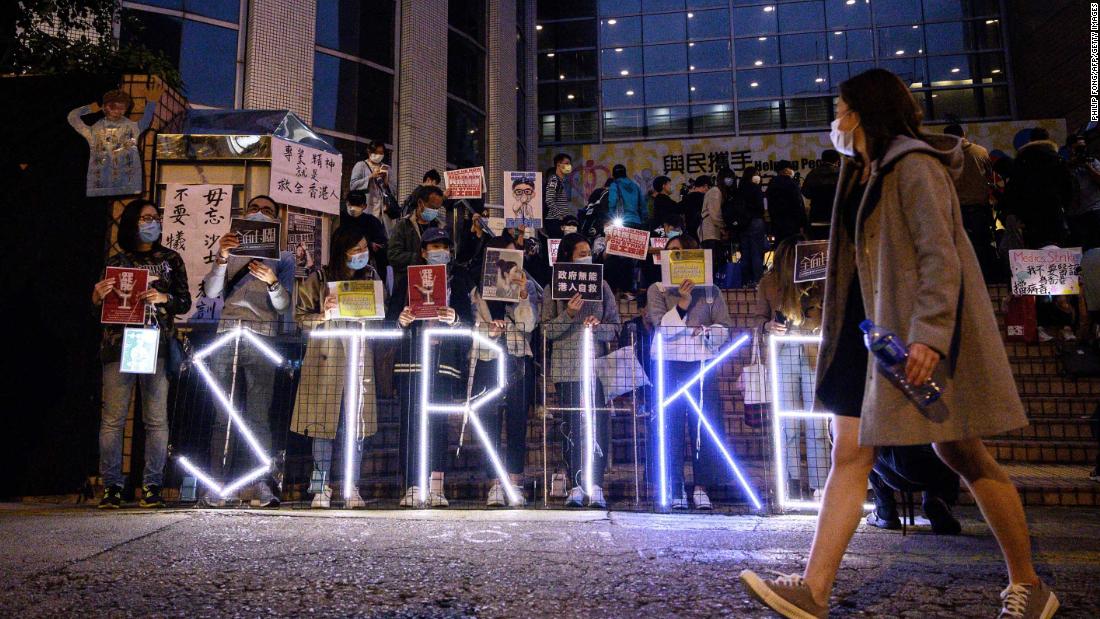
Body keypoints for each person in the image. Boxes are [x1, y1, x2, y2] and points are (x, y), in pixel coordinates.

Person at [739, 68, 1058, 619]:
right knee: (850, 454)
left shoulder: (913, 166)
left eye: (839, 110)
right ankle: (814, 590)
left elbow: (941, 256)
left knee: (962, 452)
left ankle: (1030, 584)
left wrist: (931, 335)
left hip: (911, 335)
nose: (834, 121)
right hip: (867, 334)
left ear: (863, 111)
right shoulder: (859, 172)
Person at [91, 199, 190, 508]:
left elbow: (185, 302)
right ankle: (111, 487)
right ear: (133, 222)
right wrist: (97, 297)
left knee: (155, 419)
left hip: (155, 342)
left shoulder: (171, 259)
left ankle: (152, 485)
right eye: (147, 217)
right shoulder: (116, 260)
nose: (152, 223)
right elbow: (101, 311)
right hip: (119, 342)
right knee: (113, 419)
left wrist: (164, 297)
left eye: (156, 218)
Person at [200, 195, 296, 508]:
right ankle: (218, 484)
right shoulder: (229, 247)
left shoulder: (283, 257)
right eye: (254, 209)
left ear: (276, 220)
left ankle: (261, 484)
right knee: (222, 414)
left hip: (263, 337)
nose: (259, 214)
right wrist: (222, 257)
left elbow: (284, 306)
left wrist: (272, 282)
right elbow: (212, 292)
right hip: (227, 333)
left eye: (268, 211)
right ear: (243, 215)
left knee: (259, 415)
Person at [291, 226, 385, 509]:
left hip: (358, 356)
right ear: (341, 250)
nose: (361, 254)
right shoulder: (319, 277)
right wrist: (322, 314)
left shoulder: (371, 275)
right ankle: (320, 487)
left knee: (356, 423)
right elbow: (300, 317)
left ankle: (350, 485)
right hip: (326, 355)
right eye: (355, 249)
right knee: (322, 424)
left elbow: (381, 316)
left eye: (364, 248)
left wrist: (371, 314)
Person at [644, 233, 733, 510]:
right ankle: (674, 485)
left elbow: (724, 328)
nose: (674, 257)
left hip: (701, 365)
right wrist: (682, 304)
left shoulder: (711, 291)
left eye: (680, 252)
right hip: (669, 365)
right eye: (670, 253)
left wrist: (706, 331)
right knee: (670, 425)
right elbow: (663, 328)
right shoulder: (657, 290)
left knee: (703, 425)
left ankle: (701, 486)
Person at [388, 228, 475, 508]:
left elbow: (470, 324)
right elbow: (389, 321)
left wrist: (455, 318)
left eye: (444, 247)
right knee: (411, 423)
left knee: (438, 423)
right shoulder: (405, 281)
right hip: (411, 360)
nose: (440, 251)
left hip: (444, 361)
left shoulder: (457, 282)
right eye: (433, 246)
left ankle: (437, 485)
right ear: (423, 251)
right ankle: (413, 484)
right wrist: (401, 320)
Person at [542, 233, 621, 508]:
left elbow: (615, 326)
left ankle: (596, 484)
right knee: (572, 427)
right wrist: (569, 315)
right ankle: (576, 483)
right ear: (567, 258)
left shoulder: (603, 285)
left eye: (588, 251)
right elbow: (547, 331)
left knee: (598, 426)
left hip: (595, 368)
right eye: (580, 252)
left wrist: (596, 327)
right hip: (566, 369)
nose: (586, 256)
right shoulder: (553, 288)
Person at [753, 235, 828, 499]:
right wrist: (767, 326)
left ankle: (819, 483)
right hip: (783, 350)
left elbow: (830, 309)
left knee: (816, 421)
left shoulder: (817, 280)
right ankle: (791, 480)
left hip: (813, 349)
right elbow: (759, 318)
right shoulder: (769, 283)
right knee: (788, 423)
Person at [470, 236, 543, 507]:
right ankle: (494, 483)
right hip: (487, 355)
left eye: (515, 255)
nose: (510, 261)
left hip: (516, 356)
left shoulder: (528, 286)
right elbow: (473, 320)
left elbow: (529, 324)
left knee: (516, 420)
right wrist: (487, 327)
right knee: (489, 420)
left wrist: (523, 296)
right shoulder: (478, 284)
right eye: (503, 254)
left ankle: (514, 481)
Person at [67, 89, 156, 197]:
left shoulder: (132, 128)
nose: (116, 111)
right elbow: (72, 117)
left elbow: (146, 122)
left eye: (121, 108)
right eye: (112, 107)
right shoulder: (95, 131)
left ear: (126, 109)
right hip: (100, 186)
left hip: (128, 185)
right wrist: (88, 109)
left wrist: (151, 102)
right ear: (104, 107)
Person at [1000, 127, 1073, 249]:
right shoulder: (1057, 159)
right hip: (1053, 210)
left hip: (1029, 214)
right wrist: (1065, 206)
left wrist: (1016, 213)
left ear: (1030, 140)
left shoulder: (1021, 160)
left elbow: (1013, 189)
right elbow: (1068, 186)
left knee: (1035, 248)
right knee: (1057, 247)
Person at [866, 445, 962, 535]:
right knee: (951, 446)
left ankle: (885, 511)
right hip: (933, 467)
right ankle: (937, 498)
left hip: (892, 470)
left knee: (866, 446)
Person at [944, 124, 997, 280]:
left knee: (955, 247)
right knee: (981, 245)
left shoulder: (942, 155)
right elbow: (989, 176)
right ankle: (984, 278)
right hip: (979, 207)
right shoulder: (980, 151)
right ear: (964, 134)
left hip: (954, 208)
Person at [603, 164, 648, 295]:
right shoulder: (635, 186)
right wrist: (642, 220)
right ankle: (631, 287)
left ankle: (620, 287)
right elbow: (643, 205)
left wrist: (611, 218)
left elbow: (612, 203)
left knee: (618, 256)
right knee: (632, 257)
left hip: (622, 222)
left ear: (613, 174)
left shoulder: (614, 185)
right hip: (636, 222)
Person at [388, 185, 445, 285]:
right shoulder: (403, 225)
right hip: (408, 285)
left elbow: (450, 254)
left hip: (435, 283)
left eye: (437, 208)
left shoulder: (440, 227)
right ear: (420, 203)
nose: (435, 211)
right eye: (432, 207)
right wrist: (420, 257)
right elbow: (393, 255)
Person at [349, 140, 398, 230]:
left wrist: (386, 182)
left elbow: (394, 190)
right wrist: (370, 177)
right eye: (376, 152)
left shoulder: (387, 168)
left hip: (383, 213)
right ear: (369, 152)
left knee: (383, 239)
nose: (379, 155)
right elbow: (353, 186)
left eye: (381, 153)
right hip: (367, 210)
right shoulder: (361, 165)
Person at [340, 189, 389, 277]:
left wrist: (373, 246)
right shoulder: (339, 219)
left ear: (365, 206)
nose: (353, 207)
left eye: (358, 205)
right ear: (346, 203)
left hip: (365, 266)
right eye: (351, 204)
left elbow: (382, 243)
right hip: (342, 265)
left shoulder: (372, 221)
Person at [701, 167, 737, 286]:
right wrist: (723, 228)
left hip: (712, 230)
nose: (730, 181)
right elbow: (715, 214)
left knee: (714, 259)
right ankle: (712, 286)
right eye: (728, 178)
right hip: (711, 230)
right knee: (713, 260)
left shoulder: (717, 191)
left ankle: (713, 284)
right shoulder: (716, 191)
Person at [1066, 133, 1100, 251]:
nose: (1081, 150)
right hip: (1075, 214)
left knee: (1096, 245)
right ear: (1070, 149)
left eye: (1083, 147)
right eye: (1077, 148)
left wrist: (1088, 167)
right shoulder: (1066, 165)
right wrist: (1072, 164)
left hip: (1094, 208)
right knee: (1080, 248)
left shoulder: (1092, 161)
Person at [766, 160, 809, 245]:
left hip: (777, 222)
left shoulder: (772, 184)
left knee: (780, 246)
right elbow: (798, 204)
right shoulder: (792, 183)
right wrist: (803, 223)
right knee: (792, 248)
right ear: (785, 170)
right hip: (792, 223)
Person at [739, 166, 767, 287]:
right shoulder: (756, 188)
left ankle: (745, 281)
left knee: (745, 253)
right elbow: (761, 207)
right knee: (756, 252)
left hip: (743, 223)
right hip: (756, 221)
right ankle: (758, 281)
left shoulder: (740, 188)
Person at [802, 150, 840, 241]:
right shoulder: (841, 173)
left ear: (822, 160)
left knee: (818, 247)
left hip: (817, 216)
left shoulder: (813, 173)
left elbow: (805, 192)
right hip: (837, 216)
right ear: (837, 161)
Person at [544, 153, 574, 238]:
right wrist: (560, 216)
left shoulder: (560, 181)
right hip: (554, 221)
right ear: (558, 164)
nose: (569, 166)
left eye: (569, 164)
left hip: (558, 221)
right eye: (567, 163)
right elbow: (549, 199)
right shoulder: (554, 180)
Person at [682, 176, 710, 242]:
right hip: (702, 231)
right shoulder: (705, 198)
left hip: (689, 230)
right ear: (705, 186)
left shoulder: (687, 197)